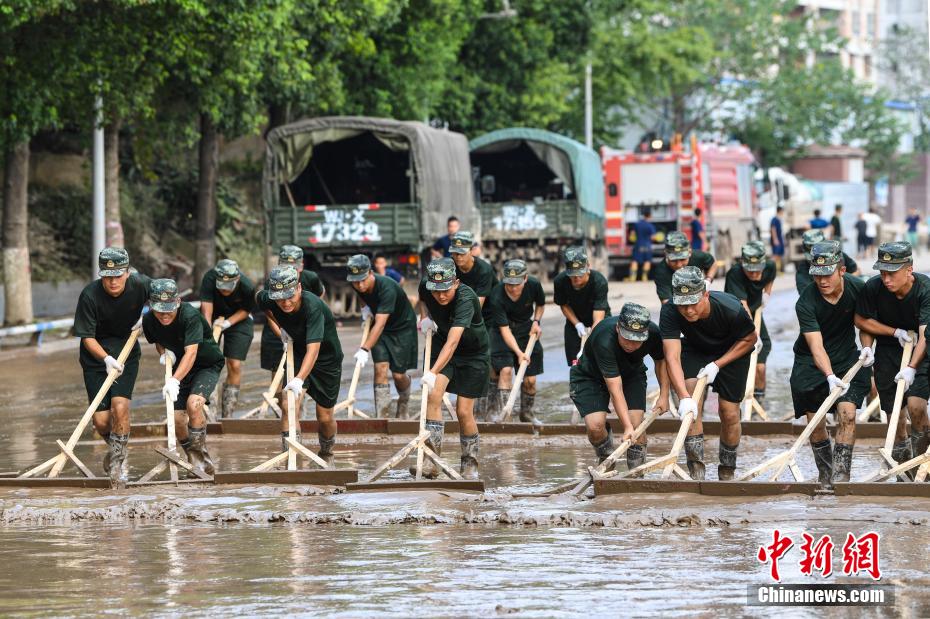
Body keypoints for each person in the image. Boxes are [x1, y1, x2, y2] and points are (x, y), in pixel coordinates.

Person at [661, 267, 757, 480]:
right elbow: (672, 357)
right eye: (682, 305)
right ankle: (697, 472)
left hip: (732, 350)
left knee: (729, 412)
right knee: (691, 400)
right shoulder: (670, 311)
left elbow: (750, 339)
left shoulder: (731, 308)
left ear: (705, 294)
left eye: (693, 303)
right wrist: (683, 397)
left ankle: (727, 470)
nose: (687, 311)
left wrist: (718, 364)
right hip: (696, 348)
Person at [790, 241, 874, 486]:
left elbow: (865, 323)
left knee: (847, 414)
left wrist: (867, 346)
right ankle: (825, 476)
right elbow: (816, 347)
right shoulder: (806, 302)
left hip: (848, 357)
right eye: (817, 276)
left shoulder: (859, 289)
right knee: (816, 423)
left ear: (842, 271)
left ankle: (841, 477)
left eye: (827, 274)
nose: (822, 281)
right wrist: (828, 375)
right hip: (810, 363)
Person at [73, 248, 151, 485]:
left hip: (126, 352)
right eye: (108, 276)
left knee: (120, 407)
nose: (113, 281)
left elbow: (168, 294)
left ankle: (118, 463)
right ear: (101, 275)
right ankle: (118, 446)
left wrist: (149, 316)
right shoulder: (90, 296)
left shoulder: (141, 285)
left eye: (118, 275)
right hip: (96, 356)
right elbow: (86, 337)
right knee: (102, 422)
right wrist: (105, 359)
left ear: (128, 273)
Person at [256, 265, 344, 465]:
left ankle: (327, 453)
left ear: (299, 288)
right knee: (288, 405)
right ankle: (292, 460)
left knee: (325, 417)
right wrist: (281, 326)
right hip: (297, 353)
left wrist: (298, 380)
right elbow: (260, 301)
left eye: (290, 297)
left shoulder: (313, 306)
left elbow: (313, 350)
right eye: (280, 298)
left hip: (325, 360)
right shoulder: (268, 298)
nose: (285, 303)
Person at [855, 242, 930, 472]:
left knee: (916, 406)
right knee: (894, 414)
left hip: (922, 348)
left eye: (892, 273)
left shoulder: (925, 289)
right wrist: (868, 346)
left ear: (909, 269)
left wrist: (911, 367)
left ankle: (923, 465)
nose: (886, 279)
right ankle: (903, 468)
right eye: (883, 273)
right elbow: (862, 321)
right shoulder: (873, 287)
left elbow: (925, 335)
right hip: (888, 349)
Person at [569, 303, 670, 473]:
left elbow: (661, 361)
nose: (631, 344)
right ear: (618, 328)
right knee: (595, 427)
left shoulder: (653, 333)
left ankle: (636, 475)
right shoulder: (604, 339)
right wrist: (626, 427)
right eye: (627, 338)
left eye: (637, 340)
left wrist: (664, 395)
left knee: (637, 426)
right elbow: (615, 389)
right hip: (591, 377)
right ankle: (606, 458)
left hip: (631, 373)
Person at [417, 258, 490, 479]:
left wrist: (431, 372)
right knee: (433, 397)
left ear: (456, 282)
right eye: (436, 291)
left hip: (472, 353)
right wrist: (425, 318)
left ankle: (470, 464)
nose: (440, 296)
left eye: (445, 290)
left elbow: (453, 342)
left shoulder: (466, 299)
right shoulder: (426, 287)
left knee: (463, 411)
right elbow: (423, 298)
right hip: (442, 344)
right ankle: (432, 462)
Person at [143, 278, 223, 476]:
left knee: (194, 404)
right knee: (178, 420)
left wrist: (174, 380)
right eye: (159, 310)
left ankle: (201, 459)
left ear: (178, 301)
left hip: (205, 364)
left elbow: (192, 353)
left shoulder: (190, 316)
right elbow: (158, 341)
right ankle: (192, 457)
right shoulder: (148, 320)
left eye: (169, 309)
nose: (164, 315)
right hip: (179, 367)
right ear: (151, 306)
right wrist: (164, 353)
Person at [346, 254, 417, 419]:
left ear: (370, 273)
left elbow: (380, 323)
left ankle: (404, 399)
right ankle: (383, 417)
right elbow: (361, 296)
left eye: (363, 280)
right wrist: (364, 308)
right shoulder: (357, 284)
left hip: (401, 327)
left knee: (399, 375)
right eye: (355, 281)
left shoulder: (387, 287)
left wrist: (364, 348)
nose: (359, 284)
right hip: (380, 328)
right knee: (380, 368)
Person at [259, 245, 325, 411]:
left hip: (304, 331)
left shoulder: (310, 278)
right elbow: (266, 307)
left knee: (301, 375)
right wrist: (281, 332)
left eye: (294, 267)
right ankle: (283, 413)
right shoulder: (273, 281)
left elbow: (320, 296)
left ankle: (297, 411)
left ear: (301, 265)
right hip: (278, 329)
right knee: (277, 373)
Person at [487, 259, 545, 425]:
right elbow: (505, 330)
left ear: (525, 278)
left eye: (517, 284)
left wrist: (536, 321)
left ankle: (527, 414)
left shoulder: (534, 285)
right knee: (505, 371)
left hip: (526, 328)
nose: (512, 288)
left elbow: (540, 305)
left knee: (530, 380)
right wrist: (519, 353)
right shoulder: (497, 294)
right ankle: (506, 415)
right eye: (509, 284)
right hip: (501, 331)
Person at [449, 231, 498, 417]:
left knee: (485, 360)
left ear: (472, 250)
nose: (458, 257)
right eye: (455, 253)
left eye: (462, 253)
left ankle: (489, 407)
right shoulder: (450, 267)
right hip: (461, 316)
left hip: (486, 317)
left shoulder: (484, 270)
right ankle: (470, 406)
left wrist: (457, 324)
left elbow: (477, 304)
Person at [199, 259, 255, 417]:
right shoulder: (209, 278)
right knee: (208, 361)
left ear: (236, 280)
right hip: (213, 317)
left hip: (239, 319)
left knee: (234, 364)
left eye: (228, 287)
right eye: (222, 288)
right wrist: (208, 332)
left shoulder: (247, 286)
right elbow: (206, 309)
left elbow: (246, 309)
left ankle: (228, 415)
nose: (225, 291)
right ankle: (209, 410)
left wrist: (229, 323)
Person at [724, 242, 776, 406]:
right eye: (750, 270)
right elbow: (742, 305)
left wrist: (767, 294)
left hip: (755, 313)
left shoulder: (770, 265)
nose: (754, 274)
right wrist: (753, 333)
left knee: (760, 366)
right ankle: (738, 400)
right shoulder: (735, 274)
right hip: (736, 315)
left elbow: (770, 278)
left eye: (757, 270)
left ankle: (759, 401)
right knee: (741, 363)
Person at [553, 246, 611, 365]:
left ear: (587, 267)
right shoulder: (560, 281)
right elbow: (563, 305)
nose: (576, 278)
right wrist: (577, 324)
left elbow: (599, 315)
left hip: (599, 320)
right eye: (572, 275)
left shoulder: (599, 281)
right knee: (576, 363)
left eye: (580, 274)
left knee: (602, 357)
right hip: (575, 320)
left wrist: (590, 340)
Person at [652, 231, 717, 304]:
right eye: (674, 260)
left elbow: (712, 263)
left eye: (683, 259)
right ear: (666, 254)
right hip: (676, 305)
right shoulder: (661, 272)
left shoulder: (698, 256)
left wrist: (708, 280)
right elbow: (666, 302)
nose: (679, 265)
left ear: (689, 252)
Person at [795, 229, 859, 294]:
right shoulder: (803, 269)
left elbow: (856, 270)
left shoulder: (837, 255)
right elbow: (805, 295)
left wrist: (841, 284)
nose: (823, 280)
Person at [629, 210, 656, 282]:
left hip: (638, 245)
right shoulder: (650, 226)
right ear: (649, 216)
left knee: (635, 260)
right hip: (647, 245)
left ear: (644, 216)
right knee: (647, 260)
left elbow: (632, 234)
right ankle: (644, 277)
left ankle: (632, 278)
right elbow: (653, 237)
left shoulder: (637, 224)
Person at [770, 206, 785, 272]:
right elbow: (773, 229)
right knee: (775, 255)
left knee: (779, 256)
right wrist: (775, 239)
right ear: (780, 211)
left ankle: (777, 271)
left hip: (779, 238)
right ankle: (769, 269)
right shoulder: (774, 219)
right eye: (782, 211)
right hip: (776, 239)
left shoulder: (779, 219)